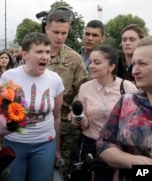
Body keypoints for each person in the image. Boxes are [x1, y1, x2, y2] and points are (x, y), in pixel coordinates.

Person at [0, 32, 64, 181]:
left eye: (47, 52)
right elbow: (0, 114)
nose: (45, 56)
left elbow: (57, 117)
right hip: (14, 143)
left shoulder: (55, 80)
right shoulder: (8, 77)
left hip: (45, 144)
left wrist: (57, 149)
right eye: (39, 51)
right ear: (25, 54)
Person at [96, 36, 152, 181]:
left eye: (142, 64)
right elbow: (103, 144)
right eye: (133, 64)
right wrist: (134, 162)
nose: (134, 71)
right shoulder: (127, 102)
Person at [45, 8, 89, 176]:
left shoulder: (74, 58)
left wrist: (74, 108)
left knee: (63, 170)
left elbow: (83, 87)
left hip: (65, 125)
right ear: (46, 29)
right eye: (56, 32)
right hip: (38, 123)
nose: (60, 37)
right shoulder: (36, 53)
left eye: (64, 33)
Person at [75, 45, 137, 162]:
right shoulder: (85, 88)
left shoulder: (127, 87)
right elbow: (85, 122)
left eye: (97, 63)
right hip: (90, 144)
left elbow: (135, 121)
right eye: (91, 62)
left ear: (111, 66)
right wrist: (80, 120)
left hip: (118, 148)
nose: (91, 66)